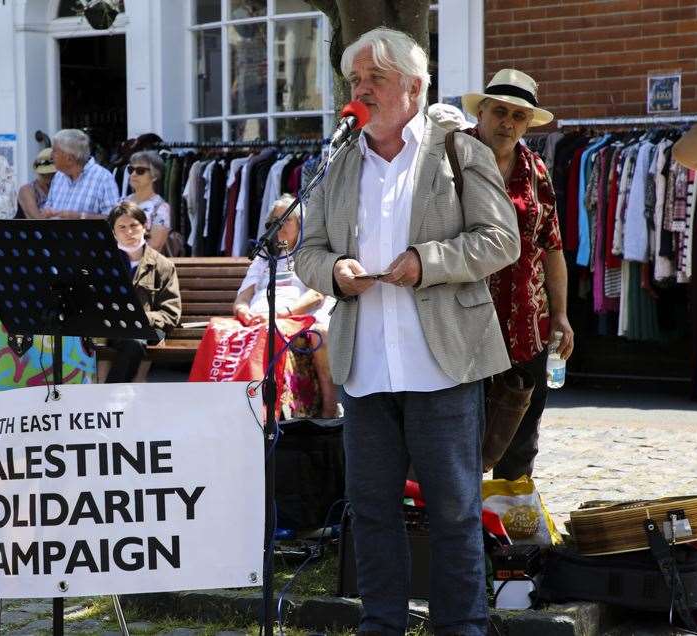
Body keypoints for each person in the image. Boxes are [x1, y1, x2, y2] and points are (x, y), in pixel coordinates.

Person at [293, 28, 520, 636]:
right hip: (364, 365)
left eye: (376, 79)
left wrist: (427, 261)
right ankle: (381, 624)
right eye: (354, 81)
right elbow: (306, 251)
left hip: (440, 362)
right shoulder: (339, 159)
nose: (361, 91)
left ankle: (462, 626)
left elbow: (502, 241)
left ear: (414, 88)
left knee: (453, 509)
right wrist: (334, 273)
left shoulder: (459, 150)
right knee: (370, 511)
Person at [461, 69, 574, 481]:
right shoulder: (453, 158)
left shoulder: (536, 169)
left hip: (527, 325)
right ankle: (460, 536)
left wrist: (560, 315)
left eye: (519, 116)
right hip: (464, 323)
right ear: (482, 113)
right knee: (461, 439)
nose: (508, 124)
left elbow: (553, 246)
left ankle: (512, 532)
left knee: (521, 438)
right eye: (500, 112)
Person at [233, 194, 338, 417]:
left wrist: (281, 314)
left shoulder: (310, 254)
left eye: (285, 220)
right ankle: (233, 406)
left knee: (284, 333)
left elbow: (316, 294)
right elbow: (242, 299)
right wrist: (243, 311)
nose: (278, 226)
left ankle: (329, 406)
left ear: (301, 224)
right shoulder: (264, 258)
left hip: (294, 318)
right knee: (222, 334)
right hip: (256, 320)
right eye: (274, 222)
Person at [105, 200, 181, 383]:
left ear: (145, 226)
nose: (129, 232)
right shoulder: (104, 262)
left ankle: (110, 396)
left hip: (145, 330)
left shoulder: (163, 265)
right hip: (111, 327)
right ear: (113, 232)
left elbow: (171, 313)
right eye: (121, 227)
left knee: (135, 342)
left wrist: (141, 317)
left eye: (134, 225)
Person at [41, 129, 119, 220]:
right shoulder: (58, 176)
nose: (51, 156)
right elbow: (48, 207)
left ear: (69, 159)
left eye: (55, 151)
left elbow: (114, 219)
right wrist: (47, 212)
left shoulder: (103, 178)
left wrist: (81, 217)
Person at [124, 150, 172, 252]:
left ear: (154, 176)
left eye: (140, 171)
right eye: (131, 169)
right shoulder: (121, 202)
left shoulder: (161, 207)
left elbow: (155, 245)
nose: (133, 174)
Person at [17, 147, 56, 219]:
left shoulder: (60, 188)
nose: (48, 176)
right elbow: (37, 219)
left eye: (52, 173)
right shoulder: (27, 190)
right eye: (44, 174)